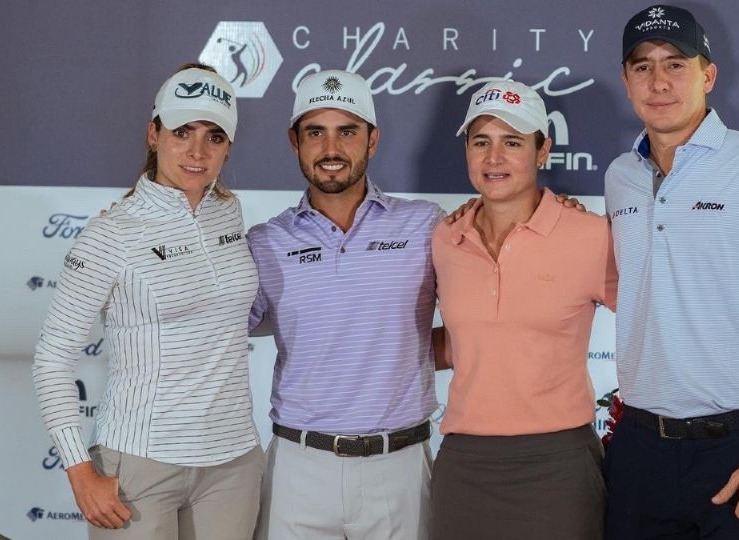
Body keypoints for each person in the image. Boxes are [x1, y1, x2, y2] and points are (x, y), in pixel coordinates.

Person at [603, 5, 739, 539]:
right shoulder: (619, 176)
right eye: (642, 66)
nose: (658, 81)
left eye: (676, 64)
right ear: (626, 80)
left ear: (708, 75)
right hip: (640, 450)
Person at [33, 64, 264, 539]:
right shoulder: (110, 234)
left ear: (229, 146)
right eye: (182, 132)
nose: (197, 151)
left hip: (234, 463)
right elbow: (52, 359)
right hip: (140, 465)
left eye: (214, 136)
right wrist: (79, 471)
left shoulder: (229, 213)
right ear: (153, 133)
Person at [248, 70, 442, 540]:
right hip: (300, 469)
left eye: (347, 131)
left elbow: (492, 306)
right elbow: (209, 329)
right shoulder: (264, 242)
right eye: (316, 132)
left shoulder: (425, 226)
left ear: (372, 141)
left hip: (399, 468)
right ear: (294, 142)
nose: (331, 149)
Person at [429, 81, 617, 540]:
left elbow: (657, 324)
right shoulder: (444, 239)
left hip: (558, 466)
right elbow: (452, 342)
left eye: (512, 142)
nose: (494, 158)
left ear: (542, 150)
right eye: (481, 142)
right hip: (464, 464)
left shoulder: (592, 237)